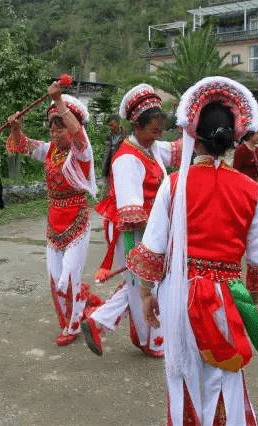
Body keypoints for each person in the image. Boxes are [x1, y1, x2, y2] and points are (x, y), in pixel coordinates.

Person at [127, 76, 258, 425]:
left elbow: (152, 252)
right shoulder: (250, 189)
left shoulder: (174, 184)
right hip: (227, 296)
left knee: (183, 370)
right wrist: (250, 300)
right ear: (234, 138)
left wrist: (145, 296)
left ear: (193, 136)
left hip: (178, 292)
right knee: (225, 372)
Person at [82, 84, 181, 357]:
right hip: (134, 230)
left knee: (140, 283)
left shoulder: (151, 147)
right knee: (142, 283)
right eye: (153, 131)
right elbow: (132, 215)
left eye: (161, 131)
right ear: (137, 126)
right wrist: (162, 236)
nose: (158, 136)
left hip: (152, 227)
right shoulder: (126, 159)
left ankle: (99, 322)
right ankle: (151, 341)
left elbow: (179, 150)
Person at [6, 81, 103, 346]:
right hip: (53, 221)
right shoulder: (49, 151)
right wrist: (16, 127)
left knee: (68, 277)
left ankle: (73, 327)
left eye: (60, 126)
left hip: (77, 221)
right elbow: (23, 145)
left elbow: (80, 135)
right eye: (51, 126)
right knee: (54, 279)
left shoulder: (80, 153)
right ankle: (71, 317)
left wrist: (59, 101)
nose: (54, 131)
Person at [233, 128, 258, 195]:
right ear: (250, 135)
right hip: (245, 188)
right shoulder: (241, 149)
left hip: (257, 187)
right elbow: (236, 170)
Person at [102, 114, 127, 181]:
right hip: (110, 166)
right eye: (109, 125)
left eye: (112, 125)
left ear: (118, 124)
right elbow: (106, 153)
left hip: (122, 166)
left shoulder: (125, 136)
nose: (110, 127)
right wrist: (104, 167)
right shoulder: (109, 136)